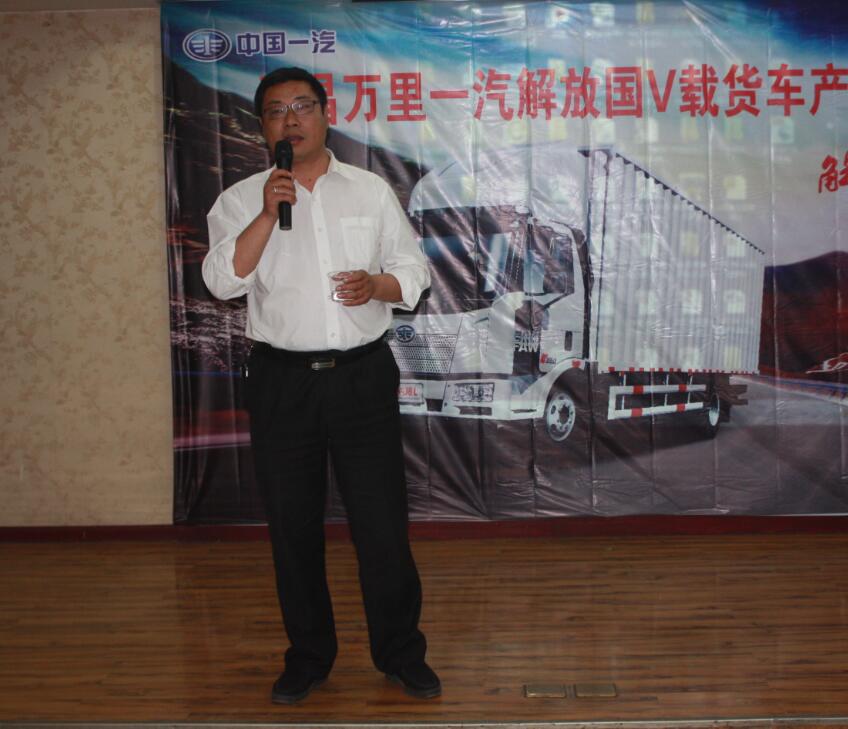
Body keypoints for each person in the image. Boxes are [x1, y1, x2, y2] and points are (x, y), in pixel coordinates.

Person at [202, 67, 438, 704]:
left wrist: (378, 285)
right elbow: (221, 281)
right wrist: (266, 212)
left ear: (325, 115)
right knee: (293, 527)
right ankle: (308, 657)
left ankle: (400, 654)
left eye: (302, 106)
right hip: (283, 382)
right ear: (263, 127)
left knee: (381, 526)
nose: (291, 120)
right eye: (276, 111)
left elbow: (412, 269)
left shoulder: (369, 190)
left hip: (362, 376)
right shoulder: (241, 199)